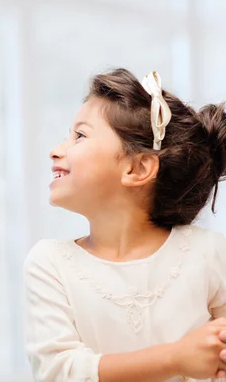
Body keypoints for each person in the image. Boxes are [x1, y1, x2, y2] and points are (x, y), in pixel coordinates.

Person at [23, 68, 226, 382]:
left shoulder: (210, 254)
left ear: (137, 168)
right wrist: (176, 358)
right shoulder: (50, 264)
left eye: (79, 135)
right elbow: (59, 371)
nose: (56, 150)